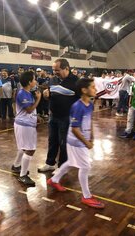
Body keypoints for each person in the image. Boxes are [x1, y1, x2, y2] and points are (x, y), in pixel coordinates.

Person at [47, 78, 105, 209]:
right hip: (75, 141)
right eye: (93, 87)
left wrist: (92, 136)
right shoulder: (77, 107)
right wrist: (86, 142)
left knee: (72, 162)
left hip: (80, 140)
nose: (95, 89)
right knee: (85, 166)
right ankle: (86, 196)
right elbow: (74, 128)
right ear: (84, 90)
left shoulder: (90, 104)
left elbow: (89, 121)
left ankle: (54, 180)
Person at [38, 58, 79, 172]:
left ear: (66, 68)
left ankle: (62, 167)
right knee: (52, 140)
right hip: (53, 116)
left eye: (57, 70)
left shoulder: (76, 81)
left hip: (67, 117)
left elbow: (81, 100)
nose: (55, 72)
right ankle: (50, 163)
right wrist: (46, 96)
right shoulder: (53, 80)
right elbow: (50, 96)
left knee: (64, 142)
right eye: (53, 70)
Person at [11, 71, 41, 186]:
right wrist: (39, 98)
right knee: (30, 149)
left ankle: (16, 166)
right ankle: (23, 175)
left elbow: (30, 111)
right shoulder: (22, 93)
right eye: (34, 79)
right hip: (24, 125)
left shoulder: (27, 93)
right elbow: (29, 109)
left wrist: (36, 116)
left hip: (27, 124)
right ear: (29, 82)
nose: (35, 81)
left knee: (24, 148)